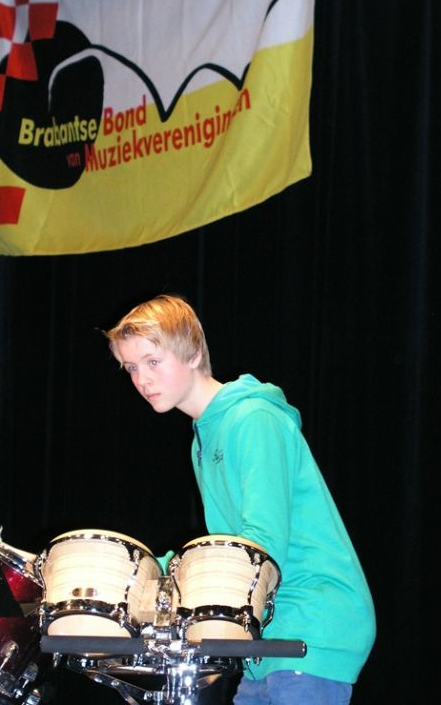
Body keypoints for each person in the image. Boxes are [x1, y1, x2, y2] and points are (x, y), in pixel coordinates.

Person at [105, 294, 376, 705]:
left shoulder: (253, 419)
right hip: (269, 632)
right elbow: (231, 547)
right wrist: (136, 571)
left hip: (310, 621)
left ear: (194, 353)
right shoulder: (204, 437)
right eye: (132, 368)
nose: (142, 379)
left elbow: (262, 543)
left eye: (153, 361)